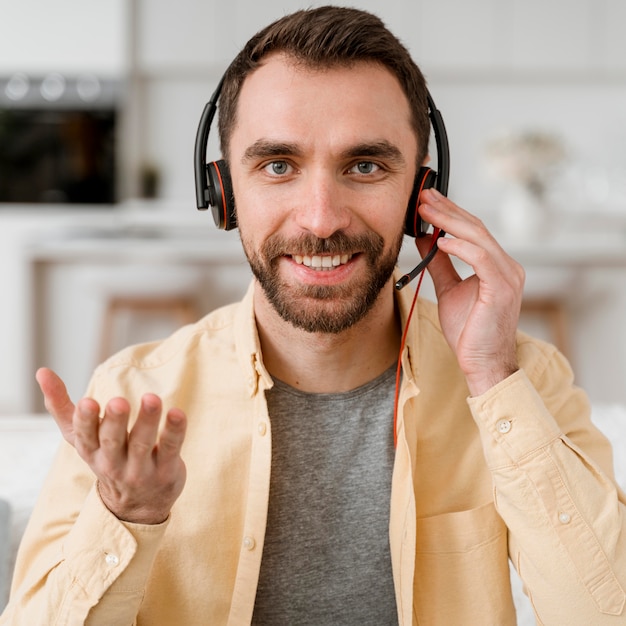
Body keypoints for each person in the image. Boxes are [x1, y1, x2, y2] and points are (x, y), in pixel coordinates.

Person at [2, 6, 625, 625]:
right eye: (278, 166)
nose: (322, 218)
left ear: (422, 194)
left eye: (365, 166)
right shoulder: (134, 398)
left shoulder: (521, 382)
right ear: (223, 193)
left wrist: (491, 377)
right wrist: (127, 516)